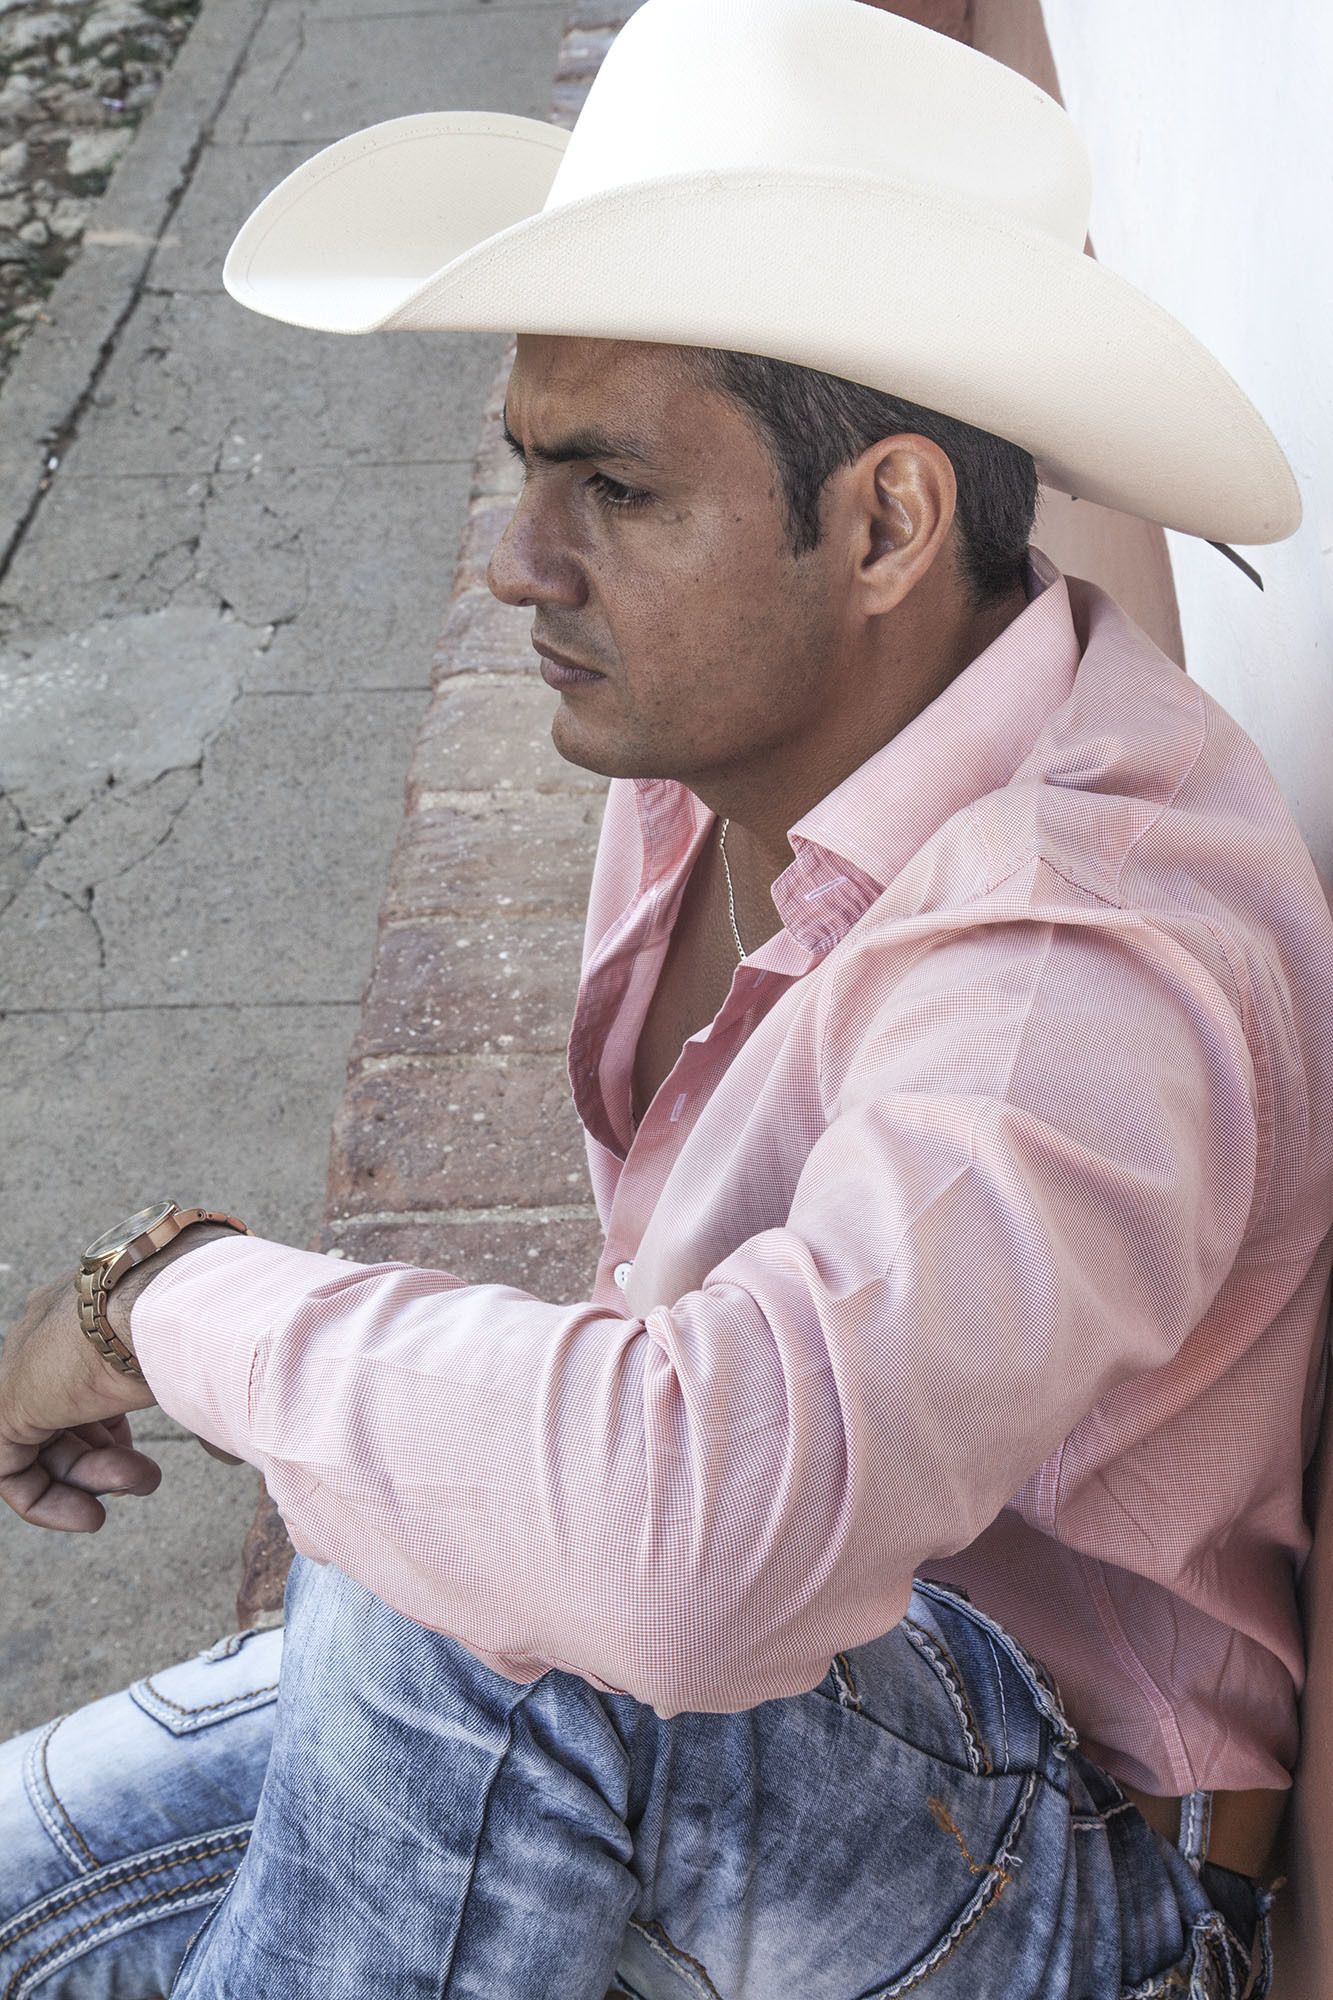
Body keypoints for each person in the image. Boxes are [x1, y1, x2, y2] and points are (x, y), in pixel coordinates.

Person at [2, 1, 1329, 1994]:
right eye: (527, 473)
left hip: (1064, 1883)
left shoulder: (1073, 966)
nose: (525, 567)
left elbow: (678, 1544)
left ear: (880, 523)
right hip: (760, 1723)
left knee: (510, 1580)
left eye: (614, 492)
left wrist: (159, 1301)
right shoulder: (727, 746)